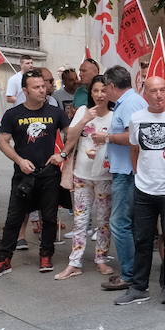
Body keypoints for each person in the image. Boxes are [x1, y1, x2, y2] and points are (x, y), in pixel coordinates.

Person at [114, 76, 165, 305]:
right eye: (153, 91)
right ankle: (139, 287)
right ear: (144, 94)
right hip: (144, 190)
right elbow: (134, 149)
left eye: (162, 90)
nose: (158, 95)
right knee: (143, 239)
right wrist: (139, 174)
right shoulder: (136, 118)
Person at [0, 70, 70, 277]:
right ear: (25, 90)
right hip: (24, 176)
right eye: (37, 87)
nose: (42, 90)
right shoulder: (13, 114)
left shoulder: (55, 112)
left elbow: (72, 135)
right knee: (14, 218)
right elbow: (3, 141)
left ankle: (46, 254)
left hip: (49, 174)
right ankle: (3, 260)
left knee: (49, 217)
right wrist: (19, 160)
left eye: (44, 86)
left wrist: (63, 154)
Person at [54, 77, 115, 281]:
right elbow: (69, 137)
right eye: (96, 91)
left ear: (110, 92)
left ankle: (101, 258)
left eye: (103, 90)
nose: (99, 95)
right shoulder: (82, 111)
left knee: (103, 221)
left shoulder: (115, 116)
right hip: (81, 174)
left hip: (104, 175)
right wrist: (83, 120)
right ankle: (75, 262)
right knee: (80, 220)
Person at [98, 66, 145, 291]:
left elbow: (133, 138)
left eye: (105, 87)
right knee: (127, 224)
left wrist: (107, 137)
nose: (103, 92)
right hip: (125, 170)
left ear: (112, 86)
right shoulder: (127, 103)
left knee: (119, 223)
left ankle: (129, 274)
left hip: (128, 173)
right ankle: (133, 271)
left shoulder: (131, 103)